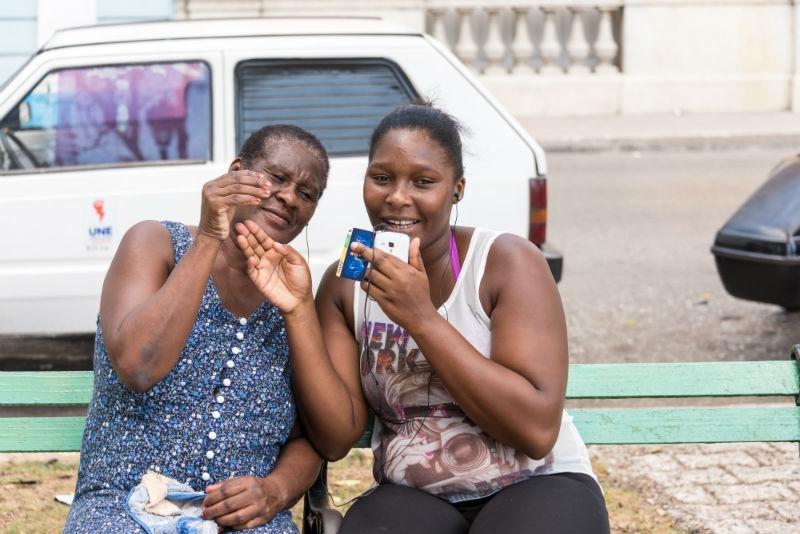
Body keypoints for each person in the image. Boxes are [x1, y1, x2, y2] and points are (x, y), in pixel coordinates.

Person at [235, 103, 610, 533]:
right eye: (381, 178)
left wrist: (421, 318)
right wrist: (300, 310)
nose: (397, 197)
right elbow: (338, 438)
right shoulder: (345, 286)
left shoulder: (505, 263)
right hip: (414, 495)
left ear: (457, 189)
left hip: (537, 483)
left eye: (424, 182)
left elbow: (536, 430)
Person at [63, 124, 329, 534]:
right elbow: (139, 367)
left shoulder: (290, 294)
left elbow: (313, 437)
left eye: (306, 193)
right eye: (277, 178)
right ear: (237, 172)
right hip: (122, 508)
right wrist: (210, 236)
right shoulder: (155, 244)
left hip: (243, 521)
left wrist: (274, 491)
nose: (289, 197)